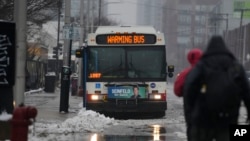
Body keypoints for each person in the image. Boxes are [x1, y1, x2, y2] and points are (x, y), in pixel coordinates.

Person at [183, 35, 250, 141]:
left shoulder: (201, 65)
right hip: (228, 118)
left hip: (204, 119)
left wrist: (190, 117)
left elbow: (189, 89)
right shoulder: (236, 66)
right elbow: (247, 91)